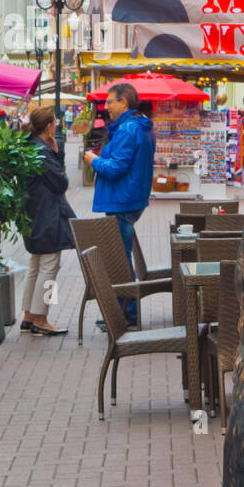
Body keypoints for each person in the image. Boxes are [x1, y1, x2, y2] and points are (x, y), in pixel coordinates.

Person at [84, 83, 156, 329]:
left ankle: (126, 315)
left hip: (122, 200)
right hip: (128, 198)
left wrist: (94, 161)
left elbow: (115, 168)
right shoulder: (136, 127)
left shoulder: (127, 129)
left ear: (124, 102)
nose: (106, 106)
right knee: (121, 257)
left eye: (110, 101)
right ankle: (125, 312)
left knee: (119, 260)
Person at [19, 107, 75, 335]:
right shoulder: (43, 152)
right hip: (48, 216)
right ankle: (41, 318)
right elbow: (61, 183)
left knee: (36, 266)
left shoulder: (29, 147)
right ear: (49, 126)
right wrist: (57, 154)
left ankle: (29, 315)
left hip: (33, 214)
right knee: (50, 268)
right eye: (55, 122)